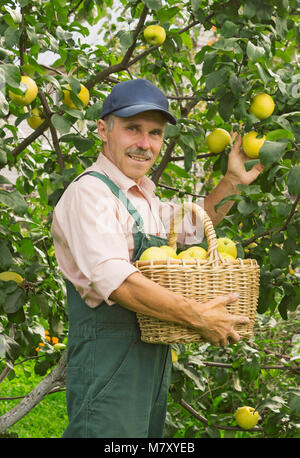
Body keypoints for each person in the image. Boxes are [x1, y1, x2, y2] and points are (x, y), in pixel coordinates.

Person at [51, 79, 263, 438]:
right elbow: (117, 283)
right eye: (133, 129)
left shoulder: (143, 196)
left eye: (155, 133)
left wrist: (232, 182)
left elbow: (194, 230)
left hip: (152, 360)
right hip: (108, 365)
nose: (145, 144)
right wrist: (197, 316)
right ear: (104, 129)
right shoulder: (91, 194)